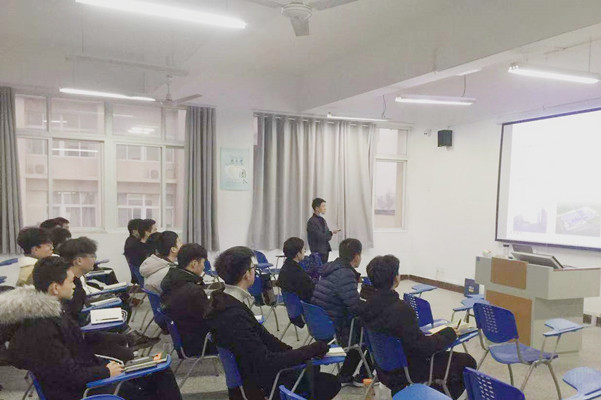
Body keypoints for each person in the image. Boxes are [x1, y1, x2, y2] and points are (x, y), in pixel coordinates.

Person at [0, 256, 182, 400]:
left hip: (89, 378)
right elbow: (67, 374)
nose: (74, 285)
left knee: (159, 373)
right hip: (83, 391)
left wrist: (110, 358)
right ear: (55, 288)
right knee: (159, 379)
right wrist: (106, 371)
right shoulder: (42, 327)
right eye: (71, 281)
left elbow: (75, 347)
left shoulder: (49, 314)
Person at [205, 246, 341, 400]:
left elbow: (267, 339)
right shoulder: (233, 315)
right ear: (246, 274)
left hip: (251, 375)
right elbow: (266, 361)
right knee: (328, 383)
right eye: (253, 268)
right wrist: (309, 350)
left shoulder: (224, 301)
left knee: (314, 371)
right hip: (258, 386)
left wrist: (301, 352)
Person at [361, 255, 476, 399]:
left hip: (382, 368)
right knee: (466, 361)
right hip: (408, 370)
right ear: (395, 278)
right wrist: (449, 334)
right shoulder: (401, 309)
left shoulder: (365, 305)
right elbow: (423, 347)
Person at [311, 238, 370, 387]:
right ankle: (359, 376)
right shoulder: (345, 274)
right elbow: (354, 306)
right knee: (369, 333)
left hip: (321, 323)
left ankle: (346, 374)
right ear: (356, 256)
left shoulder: (330, 268)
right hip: (336, 327)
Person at [161, 243, 214, 356]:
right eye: (203, 263)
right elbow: (209, 318)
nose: (204, 267)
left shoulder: (172, 279)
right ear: (194, 264)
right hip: (198, 344)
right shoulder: (192, 291)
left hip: (183, 339)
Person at [276, 237, 315, 303]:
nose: (304, 252)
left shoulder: (285, 267)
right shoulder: (298, 273)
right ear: (298, 253)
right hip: (304, 305)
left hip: (293, 306)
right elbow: (310, 293)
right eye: (303, 249)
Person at [306, 198, 340, 264]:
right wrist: (330, 233)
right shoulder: (311, 222)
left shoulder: (322, 220)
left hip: (325, 250)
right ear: (317, 208)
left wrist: (331, 233)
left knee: (324, 268)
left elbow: (327, 236)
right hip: (317, 252)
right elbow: (319, 237)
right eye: (323, 206)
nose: (325, 208)